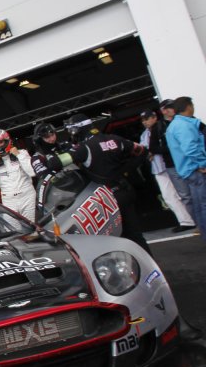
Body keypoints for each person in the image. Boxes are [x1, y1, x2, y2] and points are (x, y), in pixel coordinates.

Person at [64, 113, 151, 253]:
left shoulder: (84, 148)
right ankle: (149, 263)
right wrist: (125, 171)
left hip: (107, 199)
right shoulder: (114, 139)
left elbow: (54, 163)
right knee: (135, 235)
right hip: (124, 190)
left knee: (114, 241)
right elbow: (142, 150)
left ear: (77, 129)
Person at [139, 110, 196, 232]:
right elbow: (142, 150)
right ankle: (186, 221)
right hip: (158, 169)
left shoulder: (163, 127)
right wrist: (147, 153)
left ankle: (195, 218)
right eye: (143, 120)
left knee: (185, 193)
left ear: (154, 117)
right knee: (168, 196)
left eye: (147, 119)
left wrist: (153, 150)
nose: (145, 122)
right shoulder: (144, 135)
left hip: (172, 165)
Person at [165, 97, 206, 239]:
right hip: (196, 170)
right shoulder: (184, 125)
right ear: (188, 107)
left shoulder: (173, 126)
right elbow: (190, 149)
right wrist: (203, 164)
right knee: (203, 205)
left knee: (199, 206)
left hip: (188, 171)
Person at [0, 129, 37, 221]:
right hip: (9, 200)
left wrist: (18, 155)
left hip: (27, 196)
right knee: (13, 227)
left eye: (1, 142)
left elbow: (33, 172)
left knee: (30, 226)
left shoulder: (22, 153)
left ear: (7, 141)